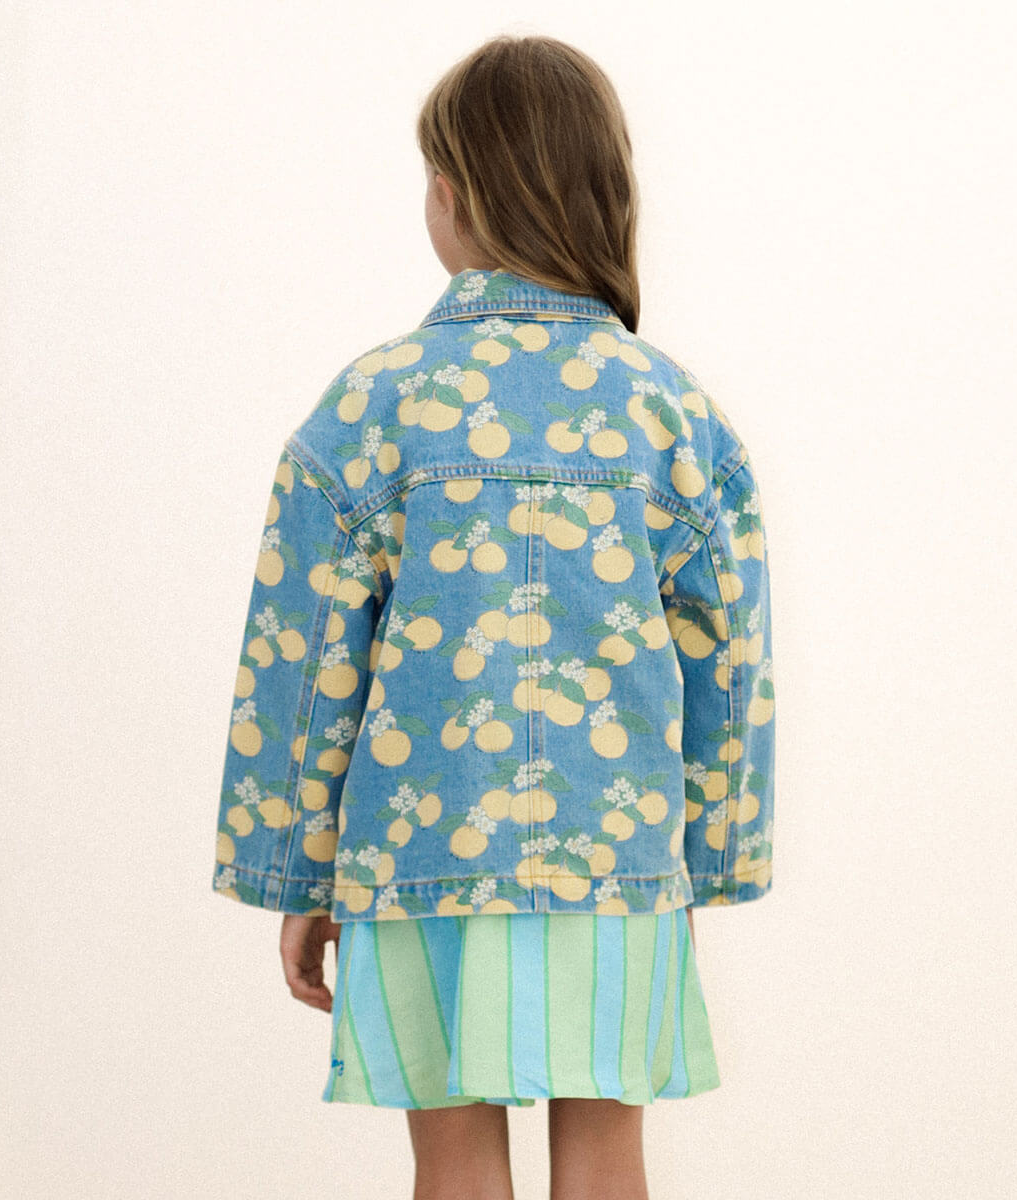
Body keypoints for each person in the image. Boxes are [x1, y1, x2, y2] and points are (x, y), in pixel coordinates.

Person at [211, 32, 775, 1200]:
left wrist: (299, 873)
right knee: (609, 1159)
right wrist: (707, 857)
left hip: (420, 853)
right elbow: (731, 661)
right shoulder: (673, 413)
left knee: (454, 1164)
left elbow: (304, 666)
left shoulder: (371, 405)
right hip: (616, 860)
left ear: (452, 196)